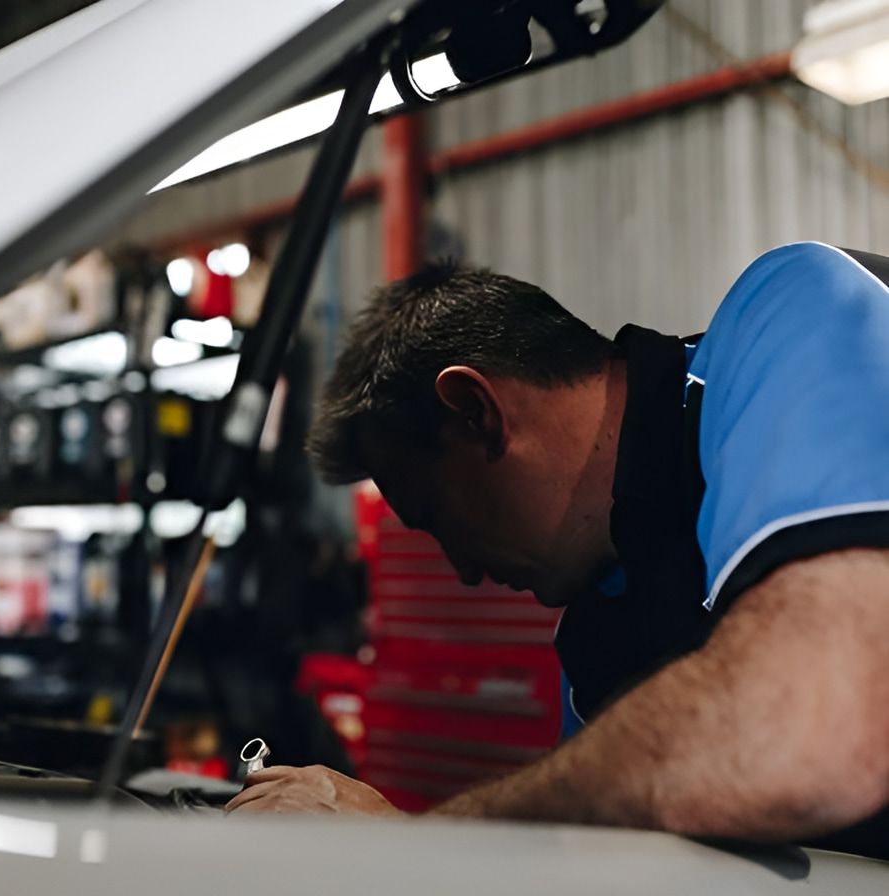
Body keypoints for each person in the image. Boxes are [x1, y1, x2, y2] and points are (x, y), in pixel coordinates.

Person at [226, 242, 889, 860]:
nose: (464, 571)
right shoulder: (602, 642)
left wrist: (415, 846)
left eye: (437, 517)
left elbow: (804, 739)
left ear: (478, 412)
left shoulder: (801, 307)